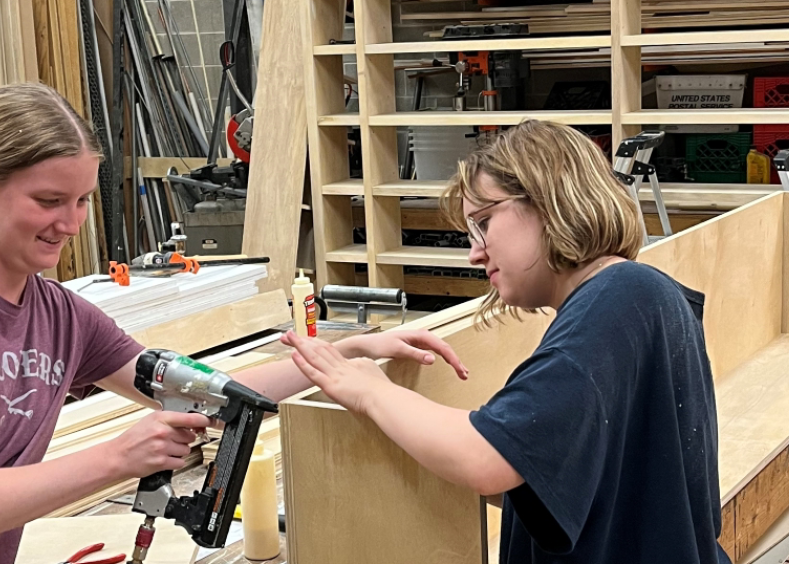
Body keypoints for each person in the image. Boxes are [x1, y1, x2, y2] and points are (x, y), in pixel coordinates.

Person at [0, 82, 468, 562]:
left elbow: (210, 389)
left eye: (81, 201)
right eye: (49, 200)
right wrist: (114, 459)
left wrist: (346, 352)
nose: (72, 224)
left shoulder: (62, 318)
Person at [283, 120, 730, 564]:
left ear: (548, 201)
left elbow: (485, 459)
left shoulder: (613, 303)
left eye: (483, 223)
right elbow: (580, 475)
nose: (475, 252)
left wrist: (370, 390)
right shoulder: (638, 296)